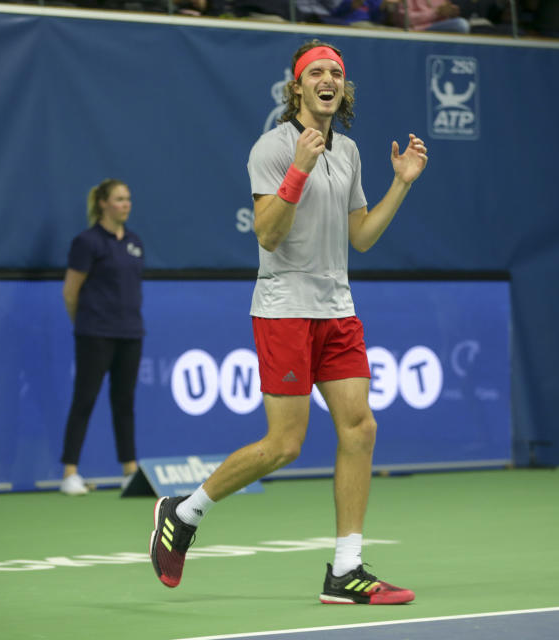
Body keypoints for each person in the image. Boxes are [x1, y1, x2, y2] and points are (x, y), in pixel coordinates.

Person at [149, 40, 428, 604]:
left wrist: (400, 183)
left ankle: (346, 571)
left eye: (337, 73)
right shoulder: (272, 148)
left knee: (361, 428)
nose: (328, 79)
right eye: (316, 72)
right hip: (283, 309)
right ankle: (183, 512)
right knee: (284, 445)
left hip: (337, 309)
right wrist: (298, 169)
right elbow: (268, 233)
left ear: (343, 91)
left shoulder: (347, 152)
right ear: (297, 87)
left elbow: (362, 238)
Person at [59, 178, 145, 496]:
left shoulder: (135, 241)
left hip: (131, 334)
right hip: (94, 334)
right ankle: (70, 473)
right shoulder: (87, 242)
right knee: (85, 400)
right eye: (120, 199)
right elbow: (70, 292)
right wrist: (84, 324)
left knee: (125, 403)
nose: (126, 204)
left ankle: (129, 471)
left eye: (128, 198)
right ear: (103, 204)